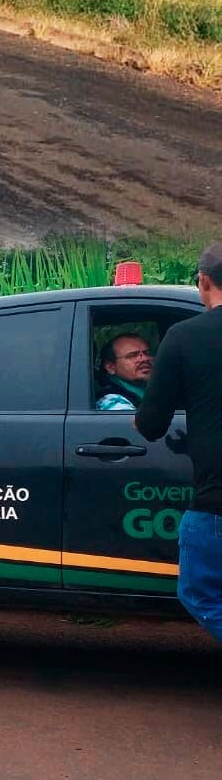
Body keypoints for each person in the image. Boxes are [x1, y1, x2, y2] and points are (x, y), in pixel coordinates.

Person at [134, 241, 222, 642]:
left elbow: (152, 424)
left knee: (199, 592)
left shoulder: (185, 337)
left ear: (203, 281)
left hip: (216, 503)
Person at [96, 334, 154, 411]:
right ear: (110, 367)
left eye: (147, 353)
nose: (145, 358)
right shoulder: (113, 402)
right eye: (132, 355)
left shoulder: (157, 387)